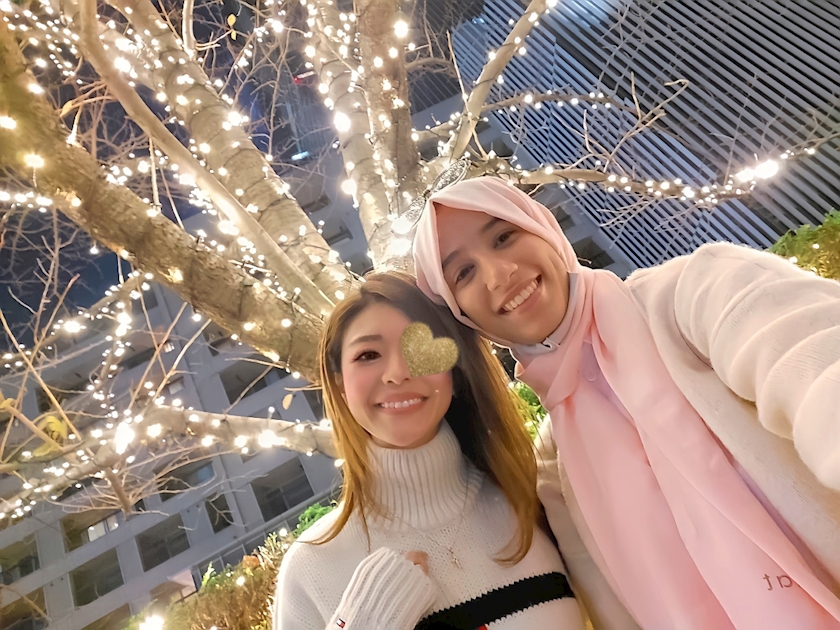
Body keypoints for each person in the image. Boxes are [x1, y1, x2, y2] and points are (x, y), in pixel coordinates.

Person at [412, 175, 840, 629]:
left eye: (504, 236)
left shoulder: (691, 294)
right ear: (461, 313)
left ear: (543, 228)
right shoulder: (556, 467)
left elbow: (813, 363)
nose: (499, 274)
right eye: (463, 273)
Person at [272, 272, 585, 629]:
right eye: (368, 354)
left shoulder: (533, 499)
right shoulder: (311, 568)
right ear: (340, 383)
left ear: (455, 369)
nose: (397, 373)